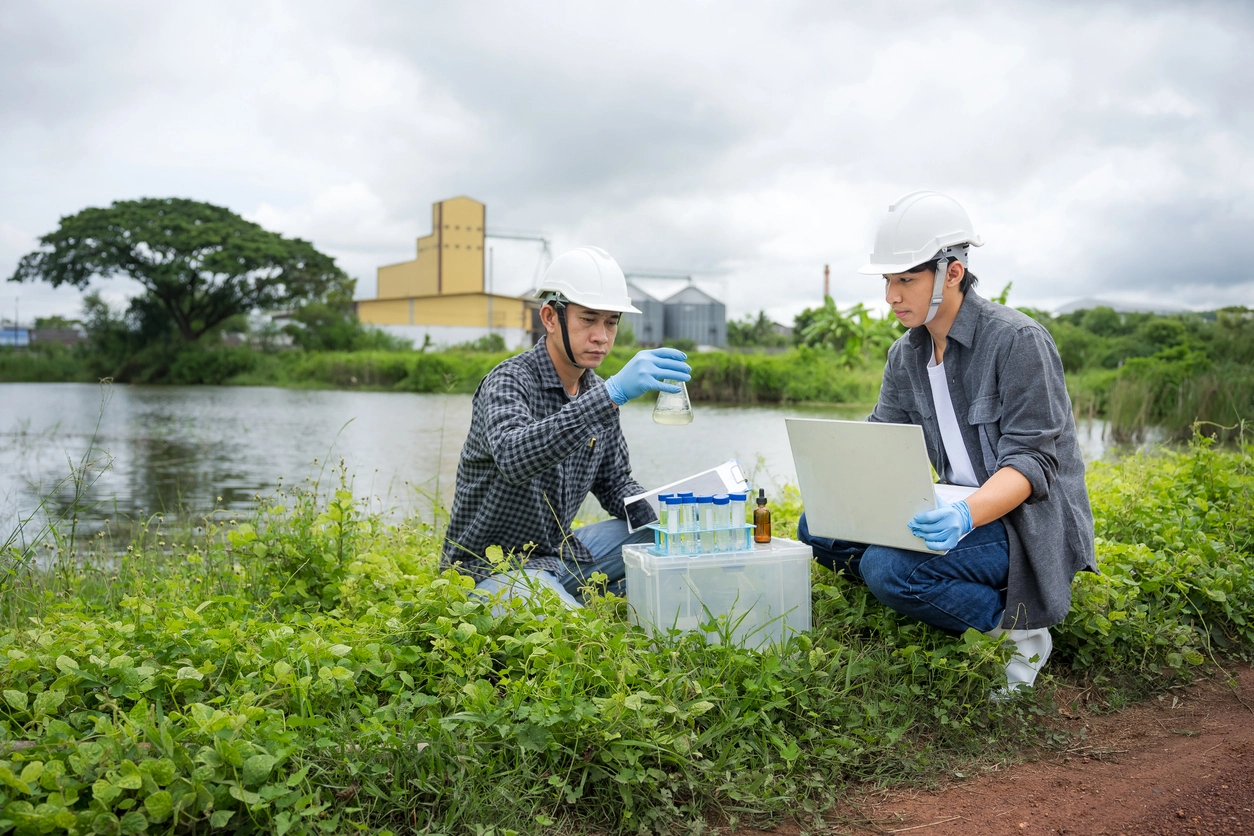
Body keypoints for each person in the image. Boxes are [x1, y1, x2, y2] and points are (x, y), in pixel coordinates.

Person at [798, 191, 1096, 695]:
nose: (891, 296)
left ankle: (1016, 629)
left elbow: (1032, 462)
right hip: (956, 506)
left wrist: (964, 516)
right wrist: (839, 482)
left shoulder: (1018, 341)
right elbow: (883, 438)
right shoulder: (905, 355)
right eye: (888, 281)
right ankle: (946, 586)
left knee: (886, 567)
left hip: (1023, 523)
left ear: (952, 272)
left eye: (906, 279)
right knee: (817, 527)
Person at [441, 246, 691, 611]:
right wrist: (611, 395)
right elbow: (513, 456)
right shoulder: (509, 381)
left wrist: (666, 511)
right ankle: (567, 601)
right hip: (489, 567)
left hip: (558, 555)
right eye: (588, 320)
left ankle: (600, 590)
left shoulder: (597, 391)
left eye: (611, 322)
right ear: (550, 317)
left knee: (661, 535)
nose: (602, 336)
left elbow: (614, 482)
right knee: (572, 632)